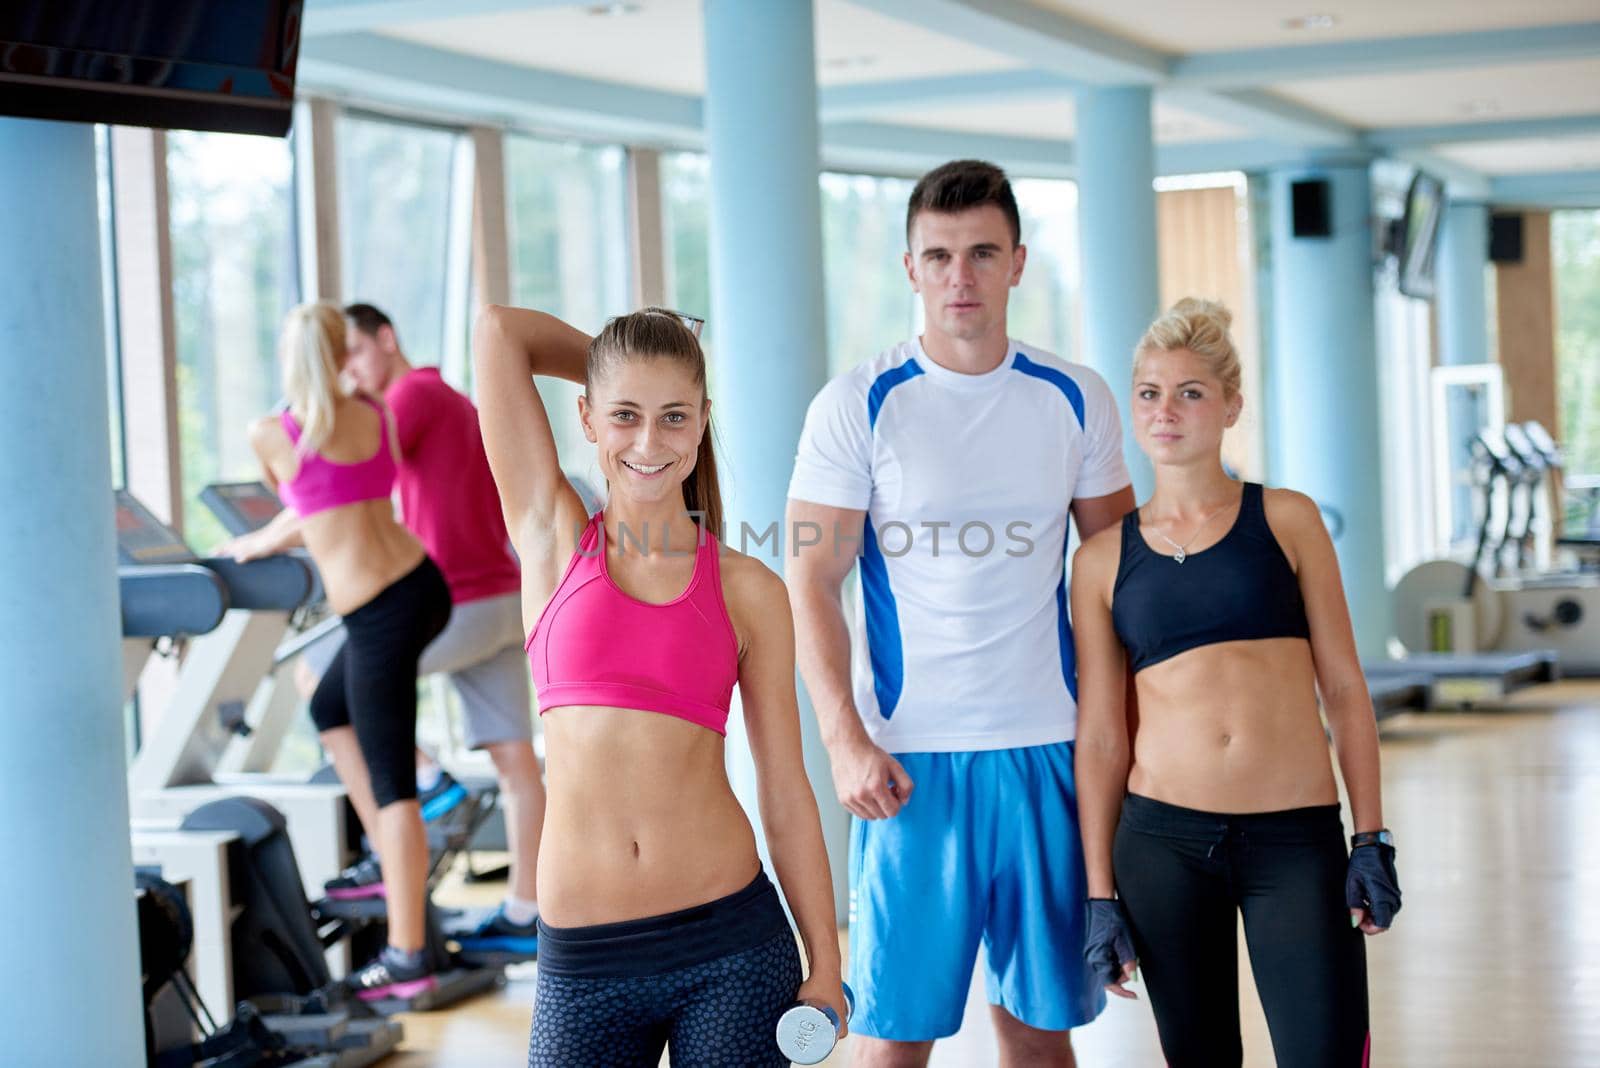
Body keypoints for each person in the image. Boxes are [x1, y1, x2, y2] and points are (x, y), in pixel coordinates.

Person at [786, 159, 1134, 1067]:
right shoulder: (857, 404)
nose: (960, 276)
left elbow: (1122, 579)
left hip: (1047, 751)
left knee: (1039, 1035)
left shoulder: (1075, 396)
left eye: (981, 253)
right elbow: (811, 582)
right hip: (911, 766)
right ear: (910, 267)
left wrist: (1136, 742)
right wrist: (843, 737)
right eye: (938, 256)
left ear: (1017, 261)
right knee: (891, 1041)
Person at [473, 303, 845, 1066]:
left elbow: (784, 788)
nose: (649, 443)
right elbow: (497, 334)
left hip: (731, 948)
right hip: (584, 962)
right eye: (625, 416)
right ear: (586, 418)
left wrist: (827, 964)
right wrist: (627, 357)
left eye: (675, 416)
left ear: (703, 420)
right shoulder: (551, 543)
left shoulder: (748, 589)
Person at [1072, 298, 1401, 1067]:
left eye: (1190, 392)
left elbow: (1347, 690)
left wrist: (1371, 835)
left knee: (1324, 1052)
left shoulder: (1287, 519)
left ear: (1230, 407)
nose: (1166, 410)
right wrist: (1098, 893)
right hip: (1162, 845)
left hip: (1296, 840)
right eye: (1150, 393)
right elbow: (1100, 733)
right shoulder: (1100, 560)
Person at [237, 302, 548, 952]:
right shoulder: (442, 394)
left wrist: (266, 536)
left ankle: (415, 818)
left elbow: (332, 483)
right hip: (496, 592)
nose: (351, 369)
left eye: (358, 353)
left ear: (388, 337)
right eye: (340, 356)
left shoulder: (401, 400)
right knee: (518, 763)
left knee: (316, 678)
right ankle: (526, 914)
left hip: (451, 595)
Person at [244, 301, 450, 1000]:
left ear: (286, 358)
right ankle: (393, 868)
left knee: (395, 787)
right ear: (342, 352)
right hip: (421, 584)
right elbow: (327, 501)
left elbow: (305, 499)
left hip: (379, 615)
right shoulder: (376, 412)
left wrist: (263, 539)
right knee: (328, 707)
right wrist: (268, 539)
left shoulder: (271, 434)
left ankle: (407, 958)